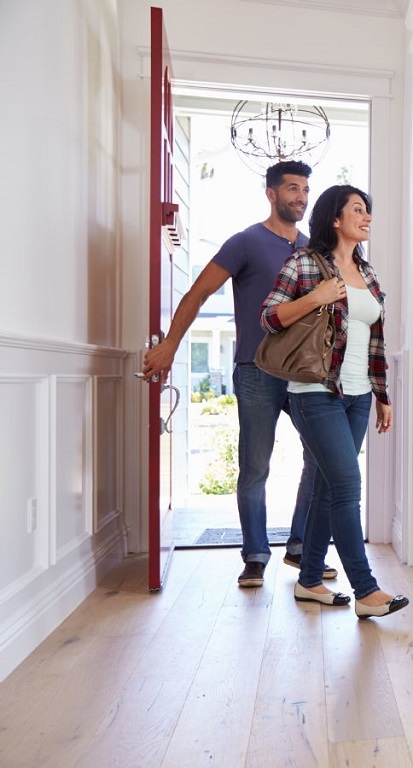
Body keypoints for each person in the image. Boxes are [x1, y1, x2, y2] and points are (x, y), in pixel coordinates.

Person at [141, 160, 338, 588]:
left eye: (305, 190)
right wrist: (171, 344)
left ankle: (301, 547)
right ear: (271, 193)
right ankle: (254, 555)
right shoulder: (245, 242)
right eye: (292, 189)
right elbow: (197, 293)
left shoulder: (312, 250)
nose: (301, 197)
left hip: (306, 374)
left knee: (321, 459)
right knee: (254, 466)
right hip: (256, 369)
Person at [260, 184, 408, 618]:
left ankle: (308, 581)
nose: (367, 218)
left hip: (359, 396)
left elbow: (375, 341)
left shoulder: (369, 272)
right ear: (335, 219)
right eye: (358, 210)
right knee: (347, 487)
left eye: (369, 211)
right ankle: (366, 591)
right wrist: (315, 297)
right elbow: (268, 317)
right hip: (315, 393)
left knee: (327, 488)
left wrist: (382, 396)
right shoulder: (304, 264)